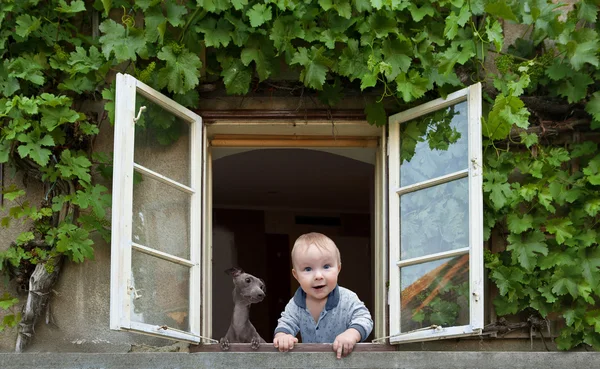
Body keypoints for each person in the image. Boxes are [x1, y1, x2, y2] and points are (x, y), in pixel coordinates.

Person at [273, 232, 373, 359]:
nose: (318, 276)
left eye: (326, 267)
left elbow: (364, 319)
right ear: (296, 275)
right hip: (313, 363)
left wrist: (351, 334)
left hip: (345, 362)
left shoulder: (347, 298)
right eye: (308, 269)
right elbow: (286, 323)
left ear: (338, 269)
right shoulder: (296, 304)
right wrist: (282, 336)